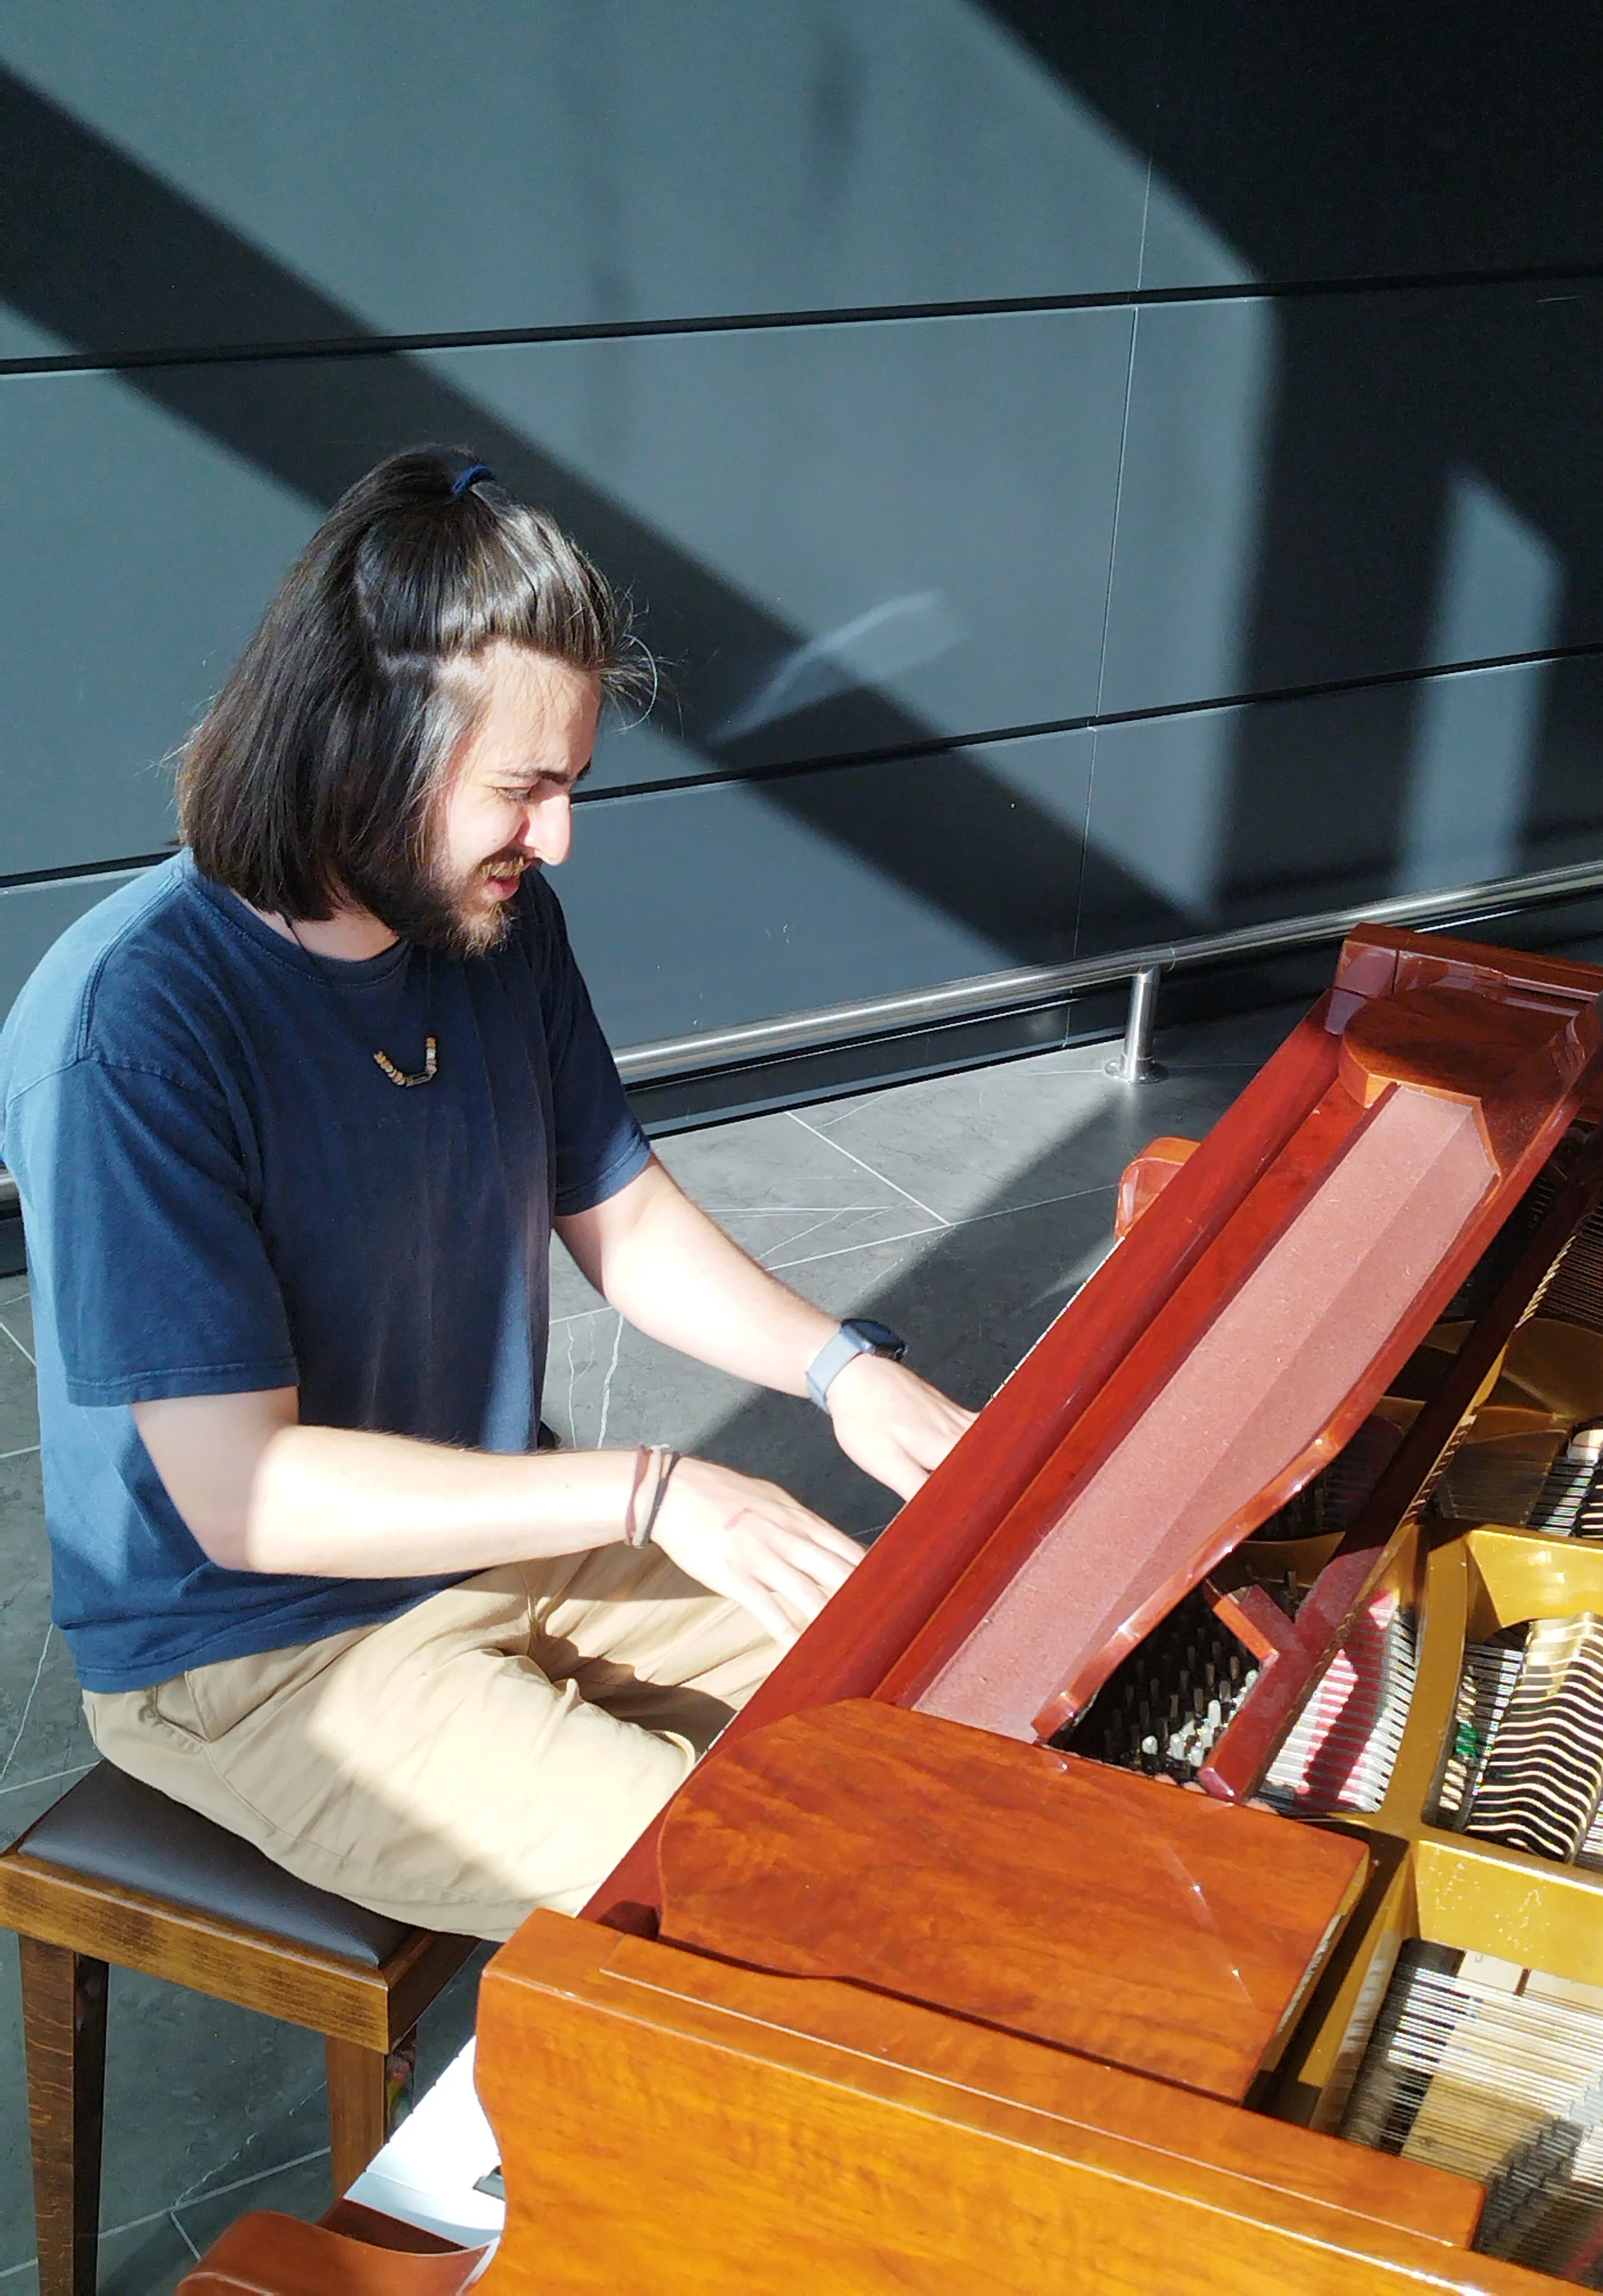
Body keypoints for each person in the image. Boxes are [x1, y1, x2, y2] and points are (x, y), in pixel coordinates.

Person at [0, 447, 973, 1942]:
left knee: (909, 1694)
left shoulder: (493, 920)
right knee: (764, 1880)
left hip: (498, 1528)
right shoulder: (130, 1026)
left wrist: (839, 1373)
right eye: (525, 789)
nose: (560, 837)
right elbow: (242, 1493)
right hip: (262, 1653)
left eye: (572, 786)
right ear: (366, 740)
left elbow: (619, 1212)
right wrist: (654, 1487)